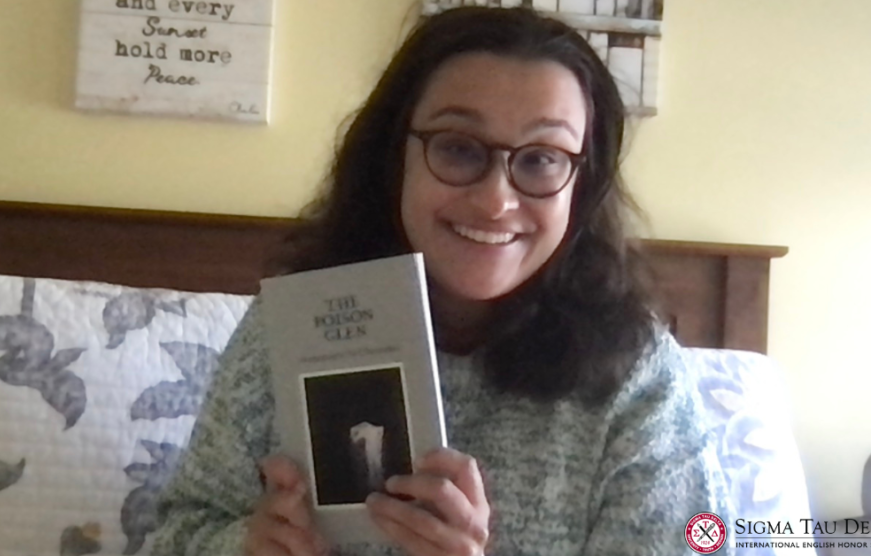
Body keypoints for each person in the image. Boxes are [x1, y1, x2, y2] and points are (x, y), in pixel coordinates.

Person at [153, 6, 733, 556]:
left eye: (541, 159)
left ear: (582, 185)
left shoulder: (637, 376)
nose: (495, 200)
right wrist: (245, 545)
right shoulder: (290, 328)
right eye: (458, 148)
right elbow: (175, 534)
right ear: (394, 157)